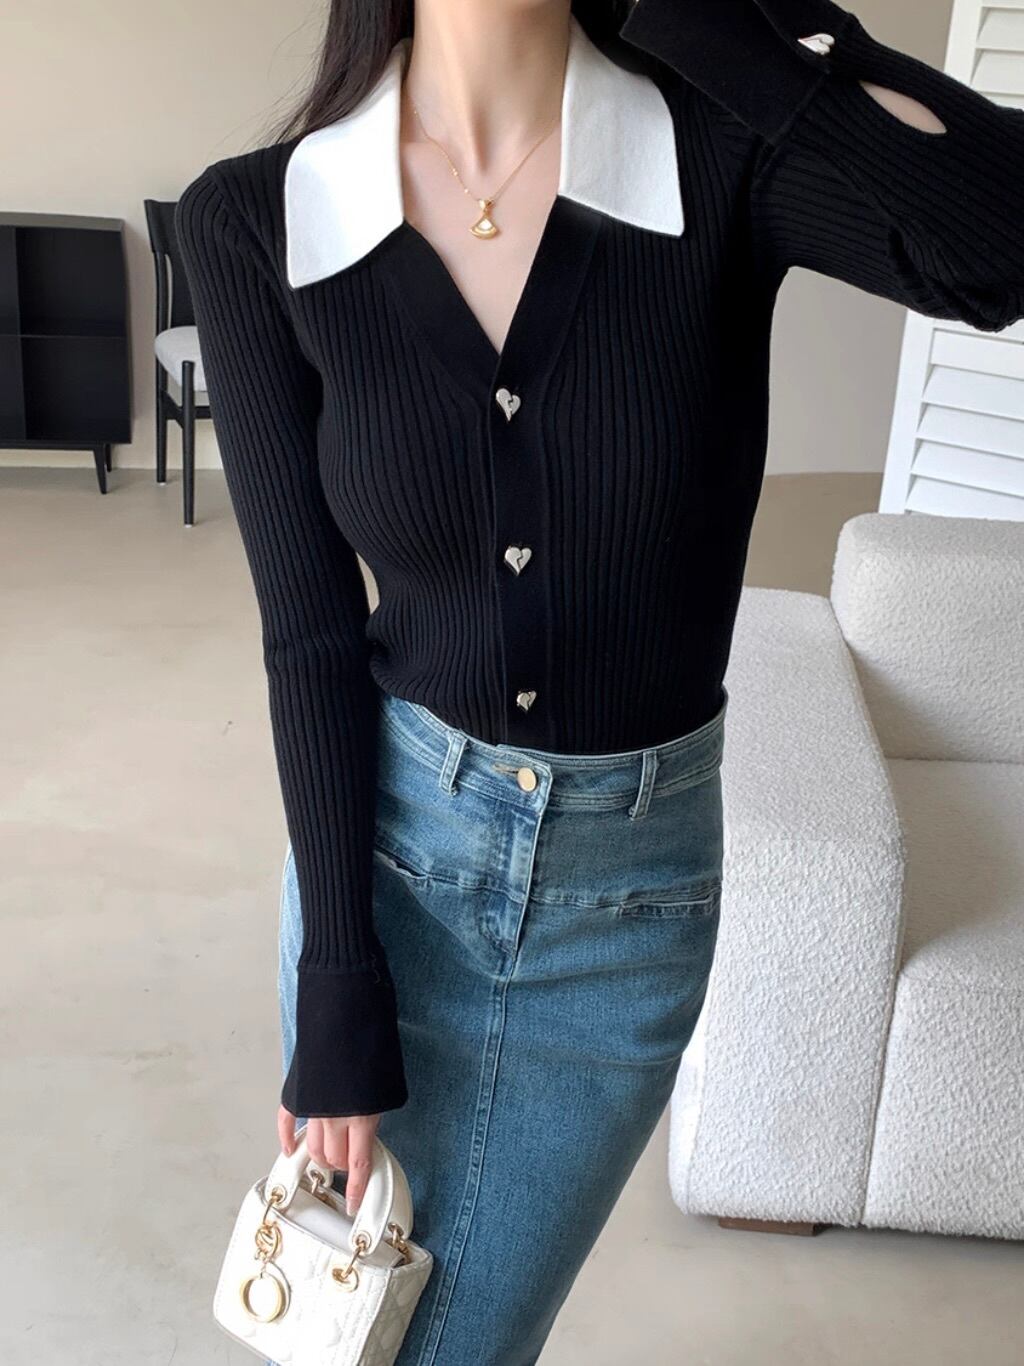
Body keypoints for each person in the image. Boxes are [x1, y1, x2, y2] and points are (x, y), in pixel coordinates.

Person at [176, 0, 1024, 1359]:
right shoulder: (257, 219)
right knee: (350, 1325)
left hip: (627, 907)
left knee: (461, 1335)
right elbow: (311, 633)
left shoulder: (718, 153)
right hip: (396, 866)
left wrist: (744, 31)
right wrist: (337, 980)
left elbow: (997, 247)